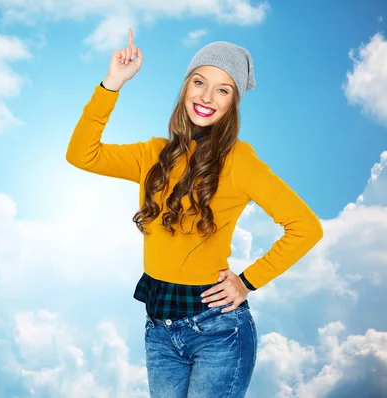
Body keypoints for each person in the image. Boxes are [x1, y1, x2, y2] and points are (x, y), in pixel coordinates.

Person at [65, 28, 323, 398]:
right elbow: (80, 154)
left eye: (223, 89)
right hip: (159, 329)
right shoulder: (151, 154)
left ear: (234, 102)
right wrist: (112, 83)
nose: (206, 97)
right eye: (199, 82)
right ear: (186, 87)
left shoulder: (240, 162)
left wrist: (248, 281)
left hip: (219, 331)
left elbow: (306, 227)